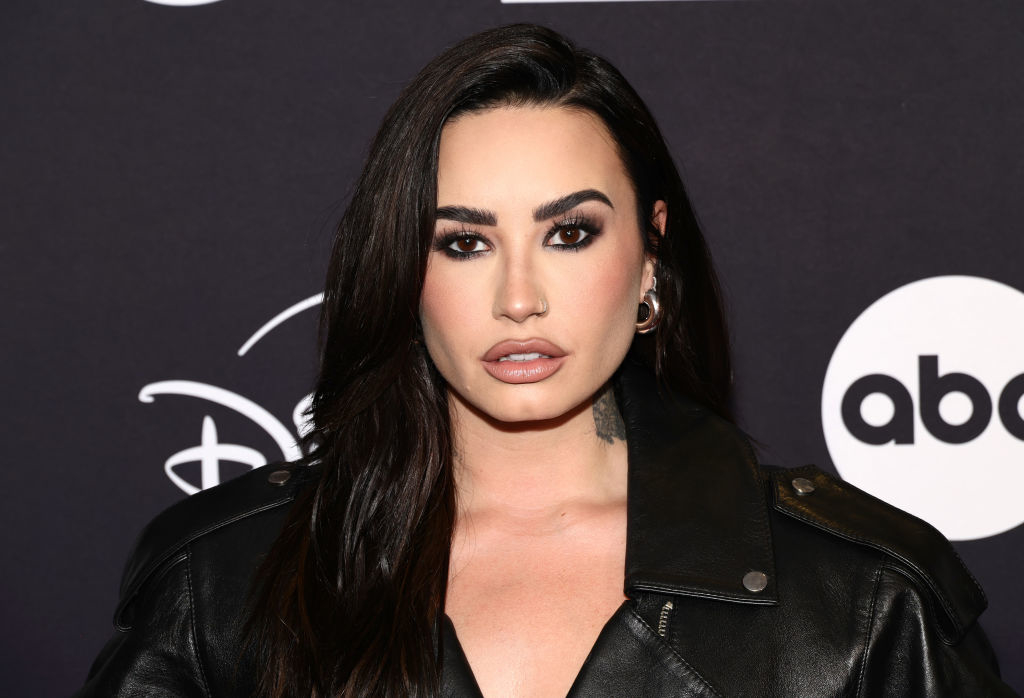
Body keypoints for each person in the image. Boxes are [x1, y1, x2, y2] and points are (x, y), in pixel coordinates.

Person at [77, 23, 1015, 698]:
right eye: (463, 243)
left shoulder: (863, 596)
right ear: (400, 274)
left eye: (569, 233)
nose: (518, 298)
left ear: (650, 254)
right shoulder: (227, 581)